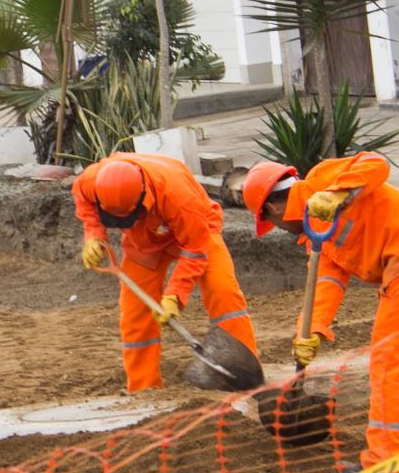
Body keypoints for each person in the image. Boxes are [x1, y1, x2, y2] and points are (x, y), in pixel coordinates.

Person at [242, 152, 399, 473]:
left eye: (270, 223)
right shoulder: (317, 238)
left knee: (390, 362)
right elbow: (326, 283)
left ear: (272, 209)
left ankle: (385, 463)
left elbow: (376, 162)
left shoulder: (321, 181)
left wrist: (337, 194)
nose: (278, 228)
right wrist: (311, 331)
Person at [73, 152, 260, 394]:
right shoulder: (91, 182)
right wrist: (94, 236)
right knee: (134, 313)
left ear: (142, 199)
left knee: (222, 291)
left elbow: (195, 250)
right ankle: (143, 389)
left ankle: (245, 373)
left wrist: (175, 295)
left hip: (197, 231)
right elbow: (84, 203)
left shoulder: (180, 198)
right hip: (144, 240)